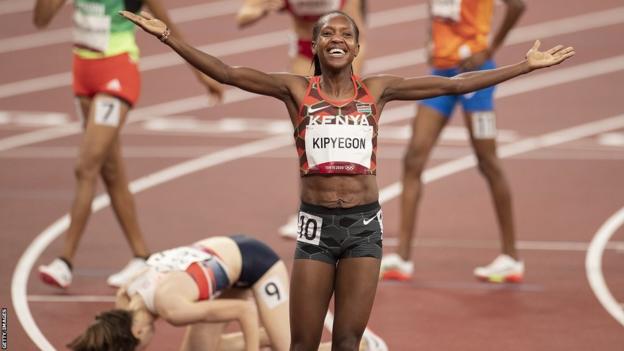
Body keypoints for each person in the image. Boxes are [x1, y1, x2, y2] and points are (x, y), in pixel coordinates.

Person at [121, 9, 573, 350]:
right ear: (315, 46)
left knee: (347, 343)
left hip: (363, 231)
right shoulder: (296, 90)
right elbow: (228, 73)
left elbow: (456, 85)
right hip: (315, 231)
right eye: (327, 34)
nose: (336, 39)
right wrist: (168, 38)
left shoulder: (377, 90)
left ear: (356, 48)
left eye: (345, 35)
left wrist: (523, 66)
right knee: (301, 343)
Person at [33, 0, 224, 289]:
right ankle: (140, 256)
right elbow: (40, 19)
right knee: (111, 172)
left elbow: (170, 30)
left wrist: (203, 76)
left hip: (117, 73)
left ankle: (65, 261)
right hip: (82, 73)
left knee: (86, 165)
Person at [379, 0, 528, 283]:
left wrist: (490, 49)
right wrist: (429, 40)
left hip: (476, 73)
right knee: (414, 156)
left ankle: (511, 257)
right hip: (441, 72)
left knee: (488, 161)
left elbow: (517, 6)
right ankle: (402, 257)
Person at [67, 235, 387, 351]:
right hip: (222, 261)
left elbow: (243, 312)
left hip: (257, 264)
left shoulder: (173, 309)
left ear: (137, 330)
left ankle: (364, 346)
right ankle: (272, 333)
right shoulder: (124, 295)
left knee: (290, 349)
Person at [236, 0, 366, 75]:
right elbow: (242, 17)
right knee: (305, 104)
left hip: (340, 46)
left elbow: (356, 25)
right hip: (306, 48)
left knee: (345, 102)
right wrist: (263, 10)